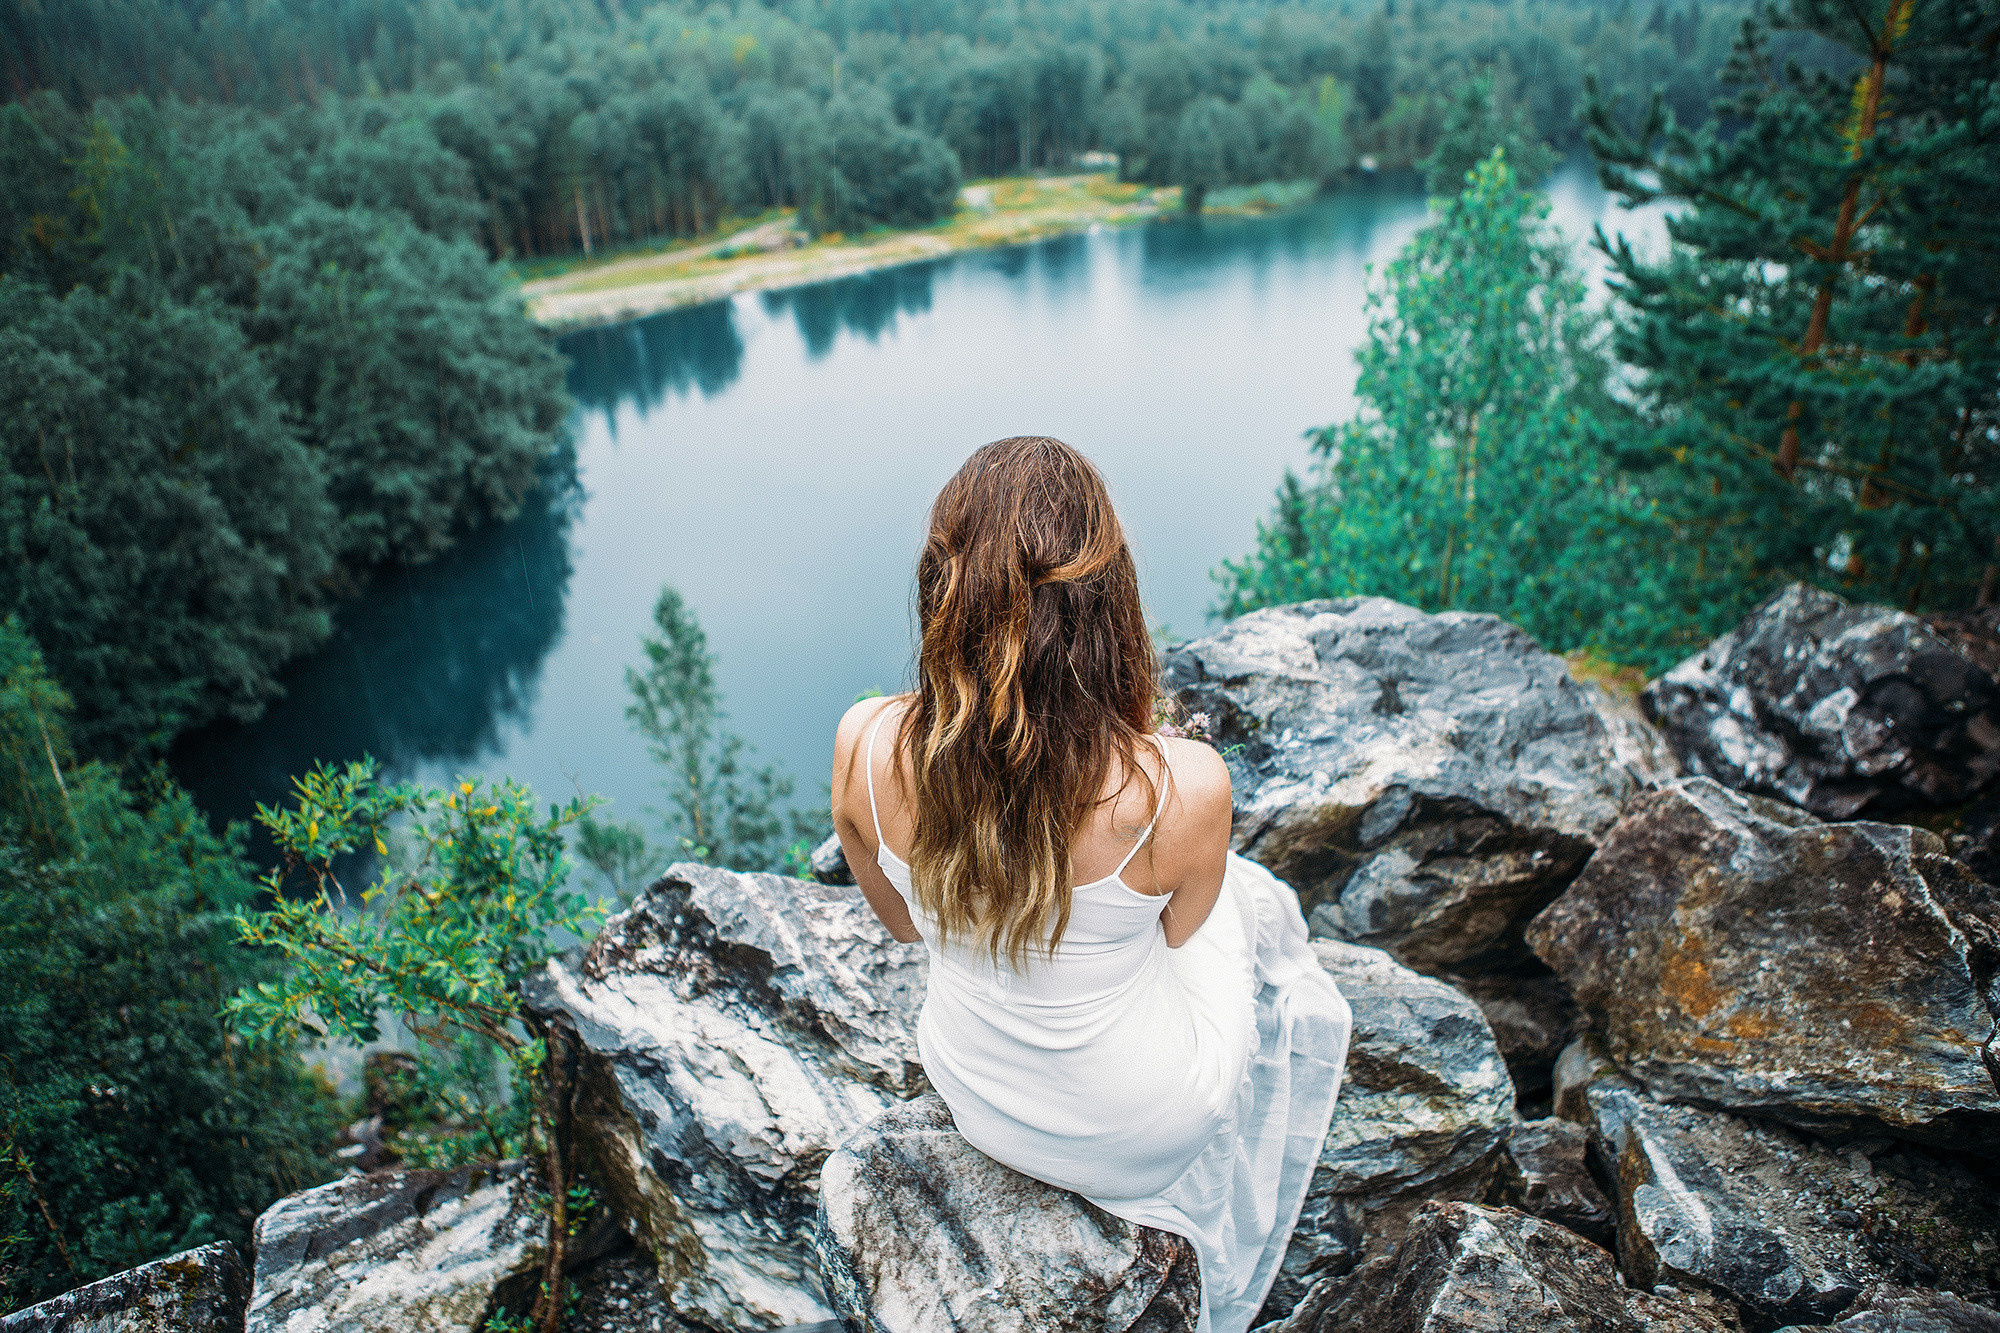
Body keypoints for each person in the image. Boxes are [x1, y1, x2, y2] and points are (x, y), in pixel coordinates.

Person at [829, 436, 1352, 1333]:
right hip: (1139, 1134)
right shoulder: (1180, 786)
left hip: (979, 1094)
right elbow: (1182, 933)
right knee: (1242, 901)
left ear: (941, 596)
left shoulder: (864, 745)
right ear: (1107, 607)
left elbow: (907, 931)